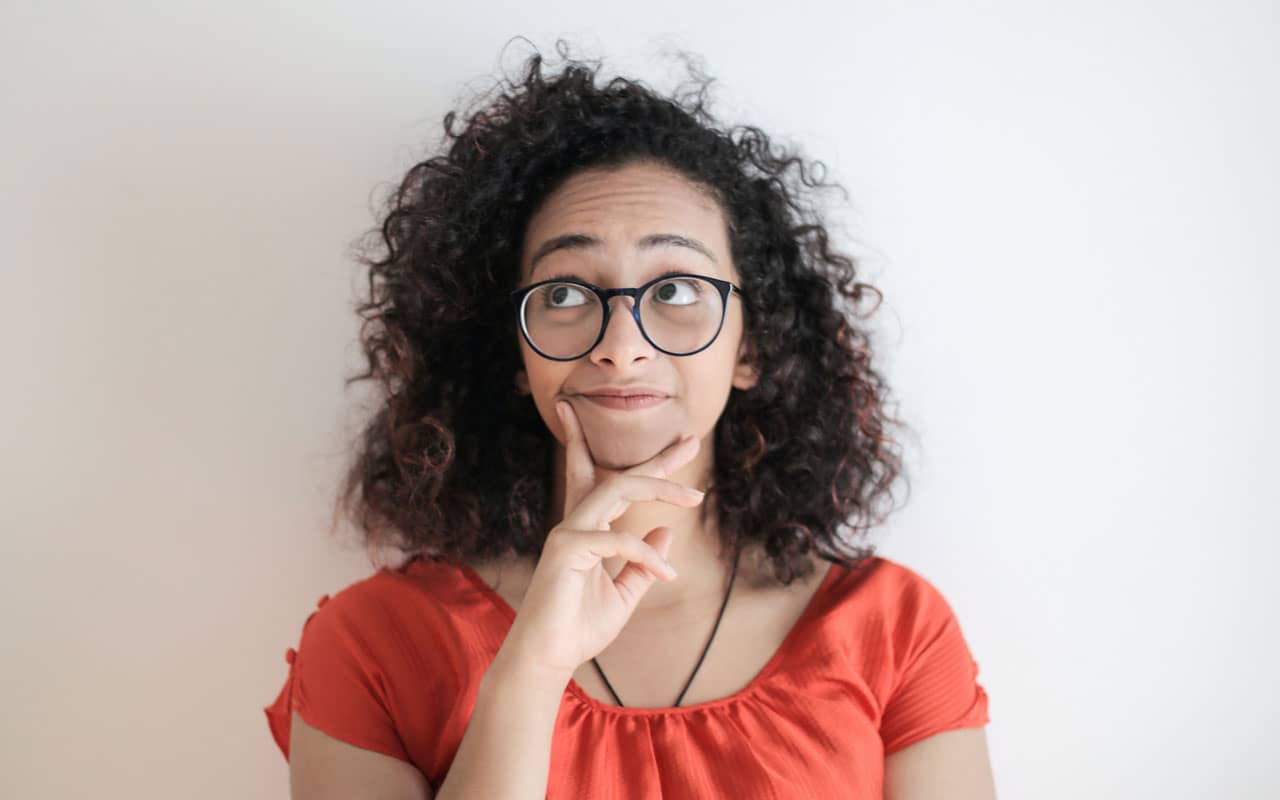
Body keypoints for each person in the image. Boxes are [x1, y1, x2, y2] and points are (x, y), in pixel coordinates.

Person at [264, 39, 994, 799]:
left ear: (753, 346)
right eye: (566, 294)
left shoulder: (894, 629)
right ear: (516, 355)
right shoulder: (372, 645)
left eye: (676, 291)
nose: (622, 347)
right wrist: (534, 668)